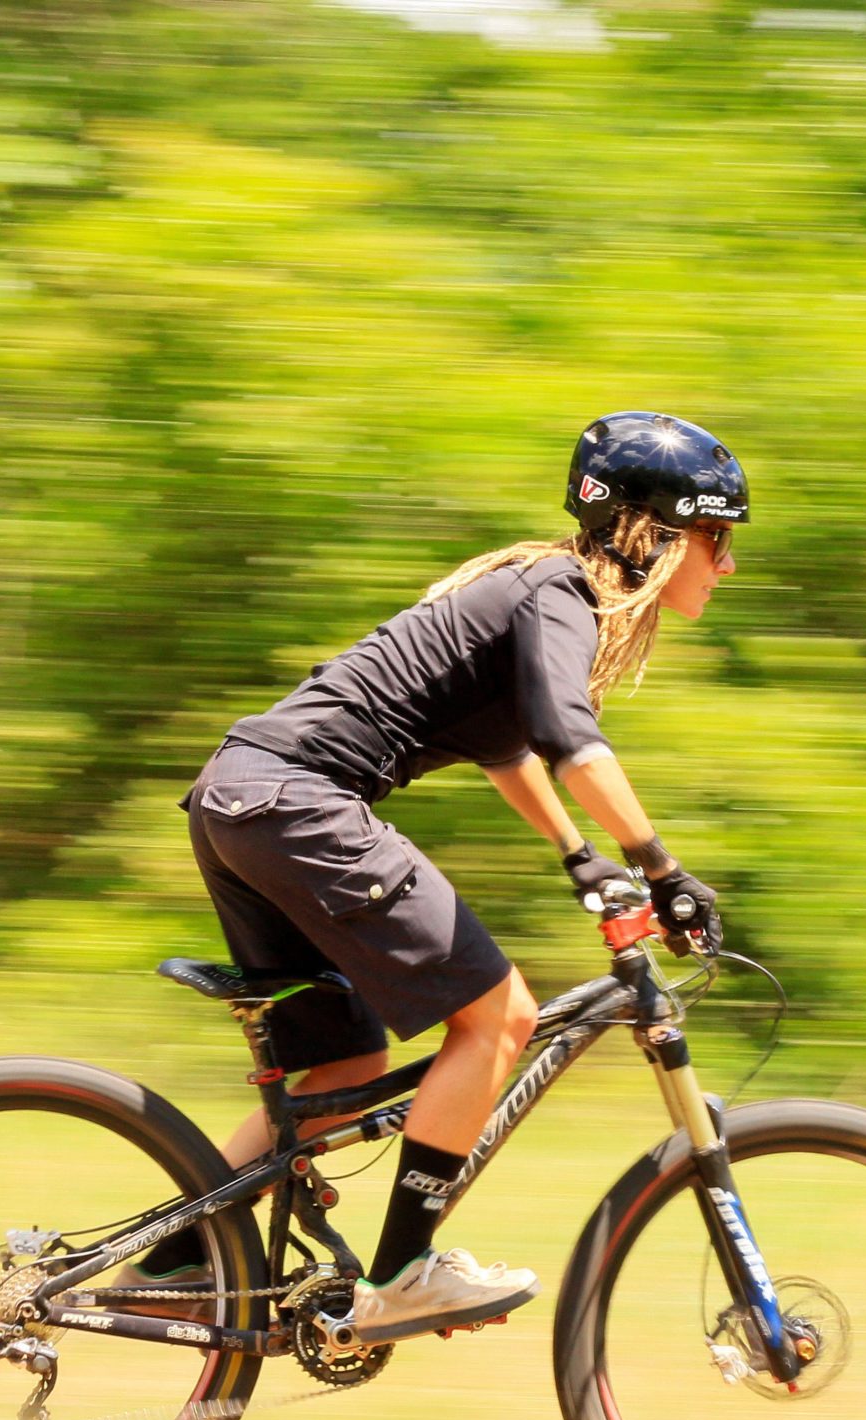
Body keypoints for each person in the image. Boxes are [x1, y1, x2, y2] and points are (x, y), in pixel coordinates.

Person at [129, 411, 744, 1344]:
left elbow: (508, 745)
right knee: (502, 1018)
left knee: (347, 1067)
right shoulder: (560, 593)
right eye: (717, 537)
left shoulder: (531, 591)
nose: (727, 564)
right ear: (654, 533)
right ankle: (404, 1276)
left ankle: (173, 1255)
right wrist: (661, 867)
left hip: (239, 798)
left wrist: (580, 855)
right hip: (298, 800)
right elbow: (571, 741)